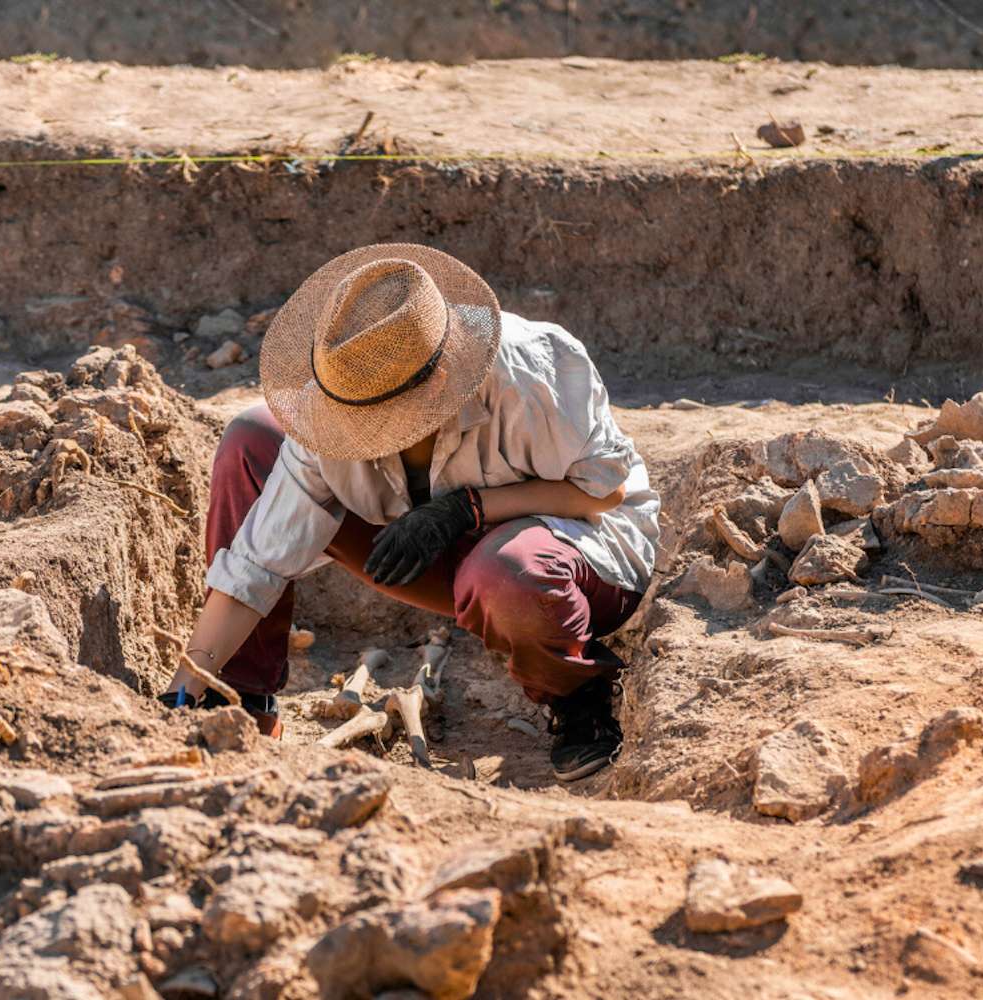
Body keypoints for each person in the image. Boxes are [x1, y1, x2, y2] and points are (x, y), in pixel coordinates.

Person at [159, 244, 659, 780]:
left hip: (575, 553)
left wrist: (466, 510)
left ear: (438, 384)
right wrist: (191, 681)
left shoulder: (533, 371)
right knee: (253, 438)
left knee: (506, 572)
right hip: (431, 554)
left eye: (379, 420)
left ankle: (578, 693)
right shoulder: (340, 393)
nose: (357, 436)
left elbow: (603, 492)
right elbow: (259, 556)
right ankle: (237, 700)